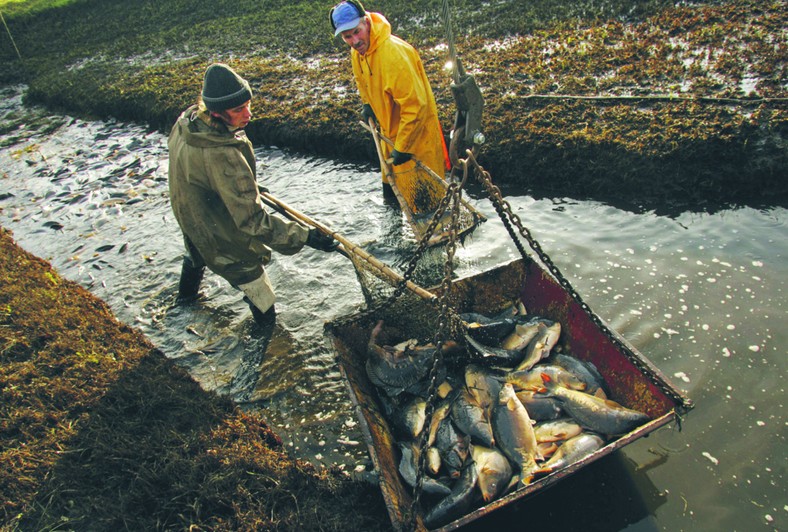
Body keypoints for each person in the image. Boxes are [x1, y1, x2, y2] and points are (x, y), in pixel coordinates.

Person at [168, 62, 338, 327]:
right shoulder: (222, 153)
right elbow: (253, 222)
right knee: (263, 299)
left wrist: (249, 188)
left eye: (248, 104)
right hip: (218, 231)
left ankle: (183, 305)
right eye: (238, 110)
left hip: (190, 214)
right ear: (215, 112)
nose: (248, 114)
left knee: (195, 252)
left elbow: (203, 174)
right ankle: (267, 350)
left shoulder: (186, 121)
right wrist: (306, 237)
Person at [330, 1, 450, 213]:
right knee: (393, 205)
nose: (355, 41)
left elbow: (416, 107)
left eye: (357, 32)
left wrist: (403, 147)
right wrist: (368, 104)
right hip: (389, 139)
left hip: (416, 143)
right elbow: (362, 80)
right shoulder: (358, 53)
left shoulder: (393, 54)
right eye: (347, 36)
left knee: (429, 211)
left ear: (366, 23)